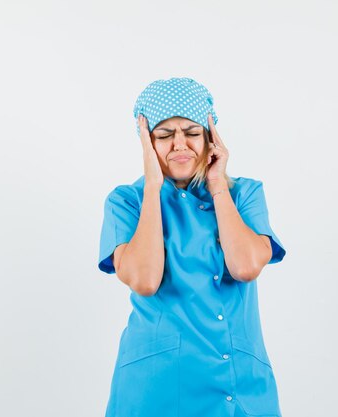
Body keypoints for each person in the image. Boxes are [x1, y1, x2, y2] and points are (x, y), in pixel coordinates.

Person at [97, 77, 288, 417]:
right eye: (165, 135)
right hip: (156, 388)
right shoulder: (127, 201)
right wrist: (153, 187)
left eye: (192, 132)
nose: (180, 144)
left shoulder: (243, 194)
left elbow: (245, 267)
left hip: (238, 386)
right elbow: (144, 279)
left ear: (211, 136)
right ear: (146, 143)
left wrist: (218, 186)